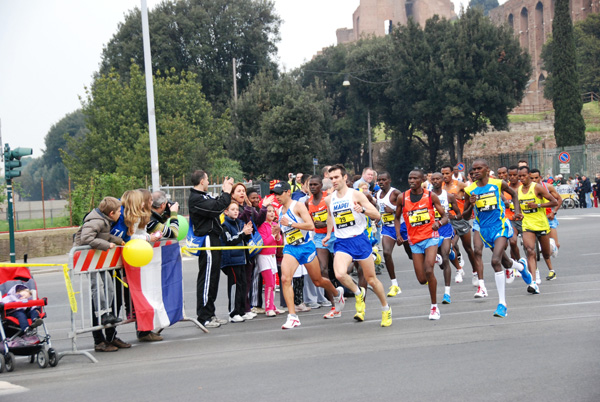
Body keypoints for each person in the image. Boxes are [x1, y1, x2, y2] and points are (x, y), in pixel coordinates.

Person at [462, 159, 533, 318]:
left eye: (479, 168)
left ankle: (502, 304)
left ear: (487, 169)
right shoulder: (470, 190)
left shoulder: (498, 184)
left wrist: (516, 212)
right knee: (505, 262)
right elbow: (465, 216)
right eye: (474, 169)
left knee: (495, 261)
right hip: (484, 230)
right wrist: (470, 205)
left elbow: (514, 194)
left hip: (500, 226)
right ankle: (521, 267)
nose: (476, 172)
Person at [324, 164, 392, 327]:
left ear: (344, 177)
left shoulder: (356, 195)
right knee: (340, 274)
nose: (333, 181)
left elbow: (376, 214)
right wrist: (328, 234)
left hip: (359, 240)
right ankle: (358, 292)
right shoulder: (329, 199)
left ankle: (385, 308)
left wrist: (362, 210)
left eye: (336, 177)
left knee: (371, 279)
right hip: (342, 242)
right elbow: (330, 216)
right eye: (331, 178)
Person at [272, 181, 345, 329]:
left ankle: (337, 293)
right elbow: (286, 227)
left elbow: (310, 225)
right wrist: (278, 229)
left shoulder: (297, 206)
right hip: (291, 248)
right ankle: (292, 317)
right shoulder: (280, 210)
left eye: (279, 193)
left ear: (287, 192)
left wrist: (290, 224)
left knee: (317, 280)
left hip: (306, 247)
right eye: (275, 194)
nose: (277, 197)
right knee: (285, 279)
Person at [73, 196, 131, 352]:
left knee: (109, 286)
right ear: (112, 213)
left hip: (96, 259)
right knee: (97, 286)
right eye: (119, 211)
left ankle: (108, 314)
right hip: (86, 259)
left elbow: (104, 236)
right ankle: (103, 314)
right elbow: (86, 238)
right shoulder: (96, 221)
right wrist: (107, 244)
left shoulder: (105, 220)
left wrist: (117, 240)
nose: (121, 213)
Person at [394, 170, 447, 320]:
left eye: (415, 178)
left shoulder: (430, 196)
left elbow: (445, 217)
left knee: (429, 270)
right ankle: (436, 258)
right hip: (414, 241)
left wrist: (439, 223)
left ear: (423, 180)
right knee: (422, 279)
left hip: (430, 237)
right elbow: (396, 218)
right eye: (410, 178)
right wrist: (398, 235)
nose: (411, 180)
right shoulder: (402, 198)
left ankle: (434, 307)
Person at [189, 170, 234, 329]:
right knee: (207, 277)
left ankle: (210, 312)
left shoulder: (204, 197)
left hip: (214, 238)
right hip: (206, 239)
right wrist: (226, 193)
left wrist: (224, 192)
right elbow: (217, 207)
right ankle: (204, 316)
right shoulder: (195, 199)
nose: (208, 182)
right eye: (207, 179)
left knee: (213, 277)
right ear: (201, 181)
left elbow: (217, 204)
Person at [518, 167, 559, 288]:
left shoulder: (537, 187)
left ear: (529, 176)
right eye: (520, 176)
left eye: (523, 176)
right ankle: (533, 283)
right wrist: (519, 213)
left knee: (546, 254)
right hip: (527, 224)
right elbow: (519, 205)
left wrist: (538, 205)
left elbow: (554, 202)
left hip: (541, 223)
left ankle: (552, 247)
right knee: (530, 251)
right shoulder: (519, 190)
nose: (521, 178)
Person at [440, 165, 478, 285]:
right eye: (443, 174)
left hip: (461, 219)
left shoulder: (460, 184)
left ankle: (475, 272)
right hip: (449, 220)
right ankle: (459, 269)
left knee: (468, 248)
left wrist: (460, 197)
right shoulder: (440, 187)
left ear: (452, 173)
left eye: (447, 173)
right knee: (451, 244)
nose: (445, 176)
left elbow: (470, 196)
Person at [306, 176, 337, 318]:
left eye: (315, 184)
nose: (312, 187)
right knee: (323, 269)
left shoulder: (329, 197)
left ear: (320, 186)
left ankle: (346, 288)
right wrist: (314, 226)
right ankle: (334, 303)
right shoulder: (308, 202)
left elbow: (336, 216)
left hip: (334, 234)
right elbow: (309, 220)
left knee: (341, 269)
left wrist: (325, 225)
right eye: (310, 185)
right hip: (319, 238)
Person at [430, 172, 463, 305]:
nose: (436, 181)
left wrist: (452, 217)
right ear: (431, 181)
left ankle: (447, 293)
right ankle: (452, 255)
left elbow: (459, 215)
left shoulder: (448, 196)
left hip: (444, 228)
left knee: (444, 257)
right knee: (442, 262)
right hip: (431, 229)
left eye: (438, 178)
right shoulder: (427, 196)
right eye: (433, 179)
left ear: (442, 180)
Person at [220, 203, 254, 322]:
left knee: (243, 285)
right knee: (234, 286)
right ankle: (232, 313)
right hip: (231, 260)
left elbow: (244, 239)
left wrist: (248, 232)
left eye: (237, 210)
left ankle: (241, 310)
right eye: (232, 209)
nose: (235, 211)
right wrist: (243, 233)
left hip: (242, 259)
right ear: (226, 212)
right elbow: (229, 240)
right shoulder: (224, 225)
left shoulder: (240, 223)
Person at [375, 172, 402, 297]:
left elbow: (408, 207)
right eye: (379, 180)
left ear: (389, 180)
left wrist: (394, 210)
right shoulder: (377, 195)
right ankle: (394, 284)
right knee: (386, 253)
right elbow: (380, 210)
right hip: (387, 228)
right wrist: (378, 218)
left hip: (402, 227)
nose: (381, 182)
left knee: (412, 254)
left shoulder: (395, 193)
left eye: (383, 180)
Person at [256, 204, 284, 317]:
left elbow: (279, 242)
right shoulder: (262, 226)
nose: (272, 213)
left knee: (273, 283)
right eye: (269, 211)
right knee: (269, 283)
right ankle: (268, 308)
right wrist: (273, 236)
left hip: (272, 256)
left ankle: (272, 305)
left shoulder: (274, 224)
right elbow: (263, 243)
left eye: (273, 211)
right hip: (264, 256)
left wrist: (278, 237)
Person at [531, 168, 561, 263]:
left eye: (536, 178)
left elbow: (559, 200)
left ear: (540, 177)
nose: (534, 180)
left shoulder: (548, 187)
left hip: (549, 217)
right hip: (535, 217)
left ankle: (548, 248)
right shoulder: (526, 189)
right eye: (532, 178)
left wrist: (554, 212)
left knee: (556, 244)